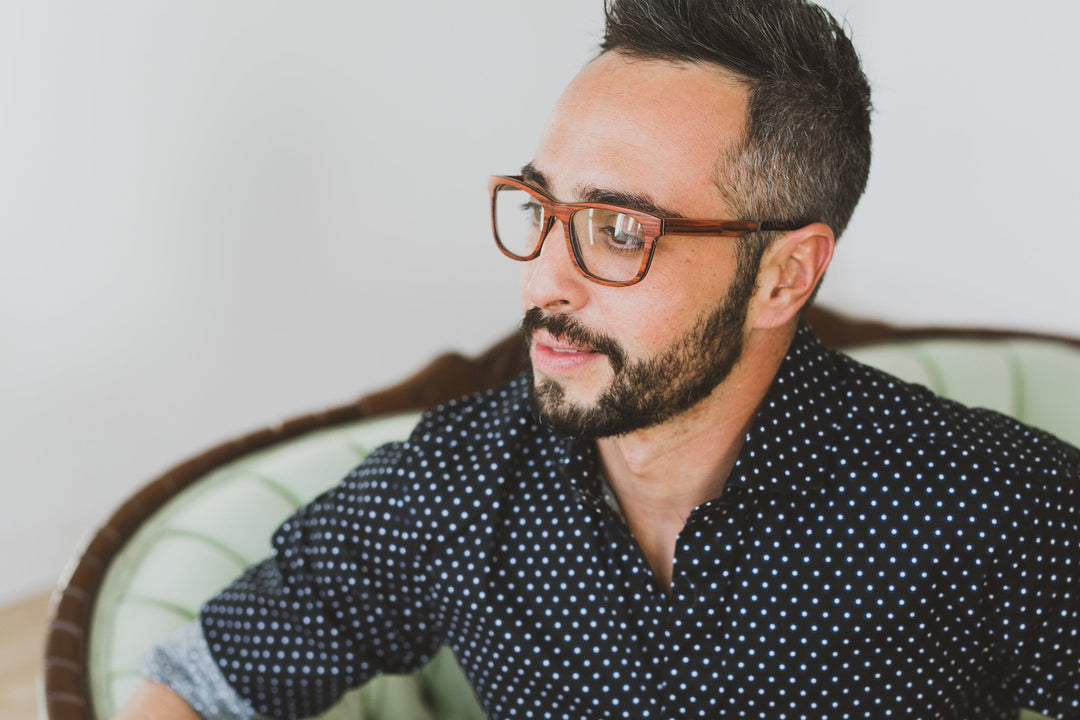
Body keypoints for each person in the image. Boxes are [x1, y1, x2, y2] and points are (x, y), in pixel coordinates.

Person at [117, 0, 1080, 718]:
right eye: (541, 211)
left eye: (621, 230)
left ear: (784, 275)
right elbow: (192, 684)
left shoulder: (990, 505)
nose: (547, 281)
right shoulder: (458, 482)